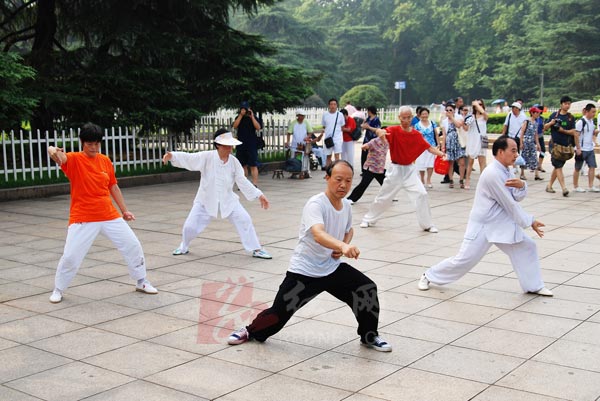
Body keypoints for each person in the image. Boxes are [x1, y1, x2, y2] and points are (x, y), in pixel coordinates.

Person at [227, 160, 392, 352]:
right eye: (338, 179)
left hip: (332, 267)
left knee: (366, 289)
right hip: (305, 271)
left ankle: (369, 336)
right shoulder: (316, 204)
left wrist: (343, 244)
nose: (343, 185)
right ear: (327, 178)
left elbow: (349, 229)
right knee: (278, 314)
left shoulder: (346, 205)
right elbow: (318, 234)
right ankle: (250, 331)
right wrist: (342, 245)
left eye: (348, 181)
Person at [418, 136, 553, 297]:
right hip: (483, 225)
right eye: (513, 150)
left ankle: (533, 286)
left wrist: (522, 185)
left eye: (516, 150)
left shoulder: (507, 169)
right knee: (464, 260)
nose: (516, 154)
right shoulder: (492, 173)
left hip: (500, 223)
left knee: (527, 246)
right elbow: (509, 203)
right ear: (501, 152)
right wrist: (530, 221)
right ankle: (428, 275)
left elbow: (515, 197)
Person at [46, 123, 158, 303]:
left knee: (132, 245)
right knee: (71, 256)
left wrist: (124, 210)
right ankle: (58, 289)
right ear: (82, 142)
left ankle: (141, 281)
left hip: (108, 215)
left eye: (97, 143)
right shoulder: (74, 159)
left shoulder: (105, 160)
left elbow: (113, 186)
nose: (93, 147)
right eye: (89, 144)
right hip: (82, 217)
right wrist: (52, 149)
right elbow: (58, 156)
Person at [163, 129, 272, 259]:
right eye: (226, 145)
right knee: (189, 227)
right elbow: (189, 158)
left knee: (245, 219)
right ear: (218, 145)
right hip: (205, 199)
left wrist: (259, 194)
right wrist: (172, 156)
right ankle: (183, 246)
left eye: (230, 145)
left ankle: (256, 249)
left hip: (228, 199)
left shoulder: (234, 162)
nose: (229, 148)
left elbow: (242, 181)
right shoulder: (207, 157)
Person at [359, 106, 445, 232]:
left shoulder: (416, 134)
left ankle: (427, 224)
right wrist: (380, 133)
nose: (406, 120)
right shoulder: (393, 130)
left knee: (422, 194)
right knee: (384, 197)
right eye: (404, 118)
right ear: (399, 118)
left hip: (410, 170)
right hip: (395, 170)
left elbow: (429, 147)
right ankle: (368, 219)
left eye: (409, 117)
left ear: (412, 117)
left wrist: (442, 154)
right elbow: (381, 133)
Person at [544, 96, 581, 197]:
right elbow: (544, 128)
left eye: (569, 104)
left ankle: (549, 185)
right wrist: (551, 123)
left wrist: (562, 130)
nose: (567, 106)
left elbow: (573, 131)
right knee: (558, 166)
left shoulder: (570, 117)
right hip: (555, 146)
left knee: (558, 166)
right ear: (561, 104)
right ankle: (564, 188)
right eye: (565, 104)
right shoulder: (554, 116)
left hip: (565, 147)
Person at [347, 131, 389, 204]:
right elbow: (366, 145)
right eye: (383, 134)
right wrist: (364, 147)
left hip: (379, 169)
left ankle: (389, 196)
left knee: (386, 183)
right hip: (371, 168)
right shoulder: (374, 141)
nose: (384, 135)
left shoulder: (386, 142)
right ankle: (351, 199)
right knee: (363, 184)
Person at [232, 101, 262, 186]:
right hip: (241, 144)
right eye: (242, 109)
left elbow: (258, 127)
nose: (244, 110)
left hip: (251, 144)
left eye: (245, 109)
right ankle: (244, 184)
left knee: (253, 164)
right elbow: (235, 126)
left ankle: (254, 183)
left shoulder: (253, 117)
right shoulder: (238, 117)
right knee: (242, 165)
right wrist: (241, 115)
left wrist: (252, 117)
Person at [573, 103, 599, 192]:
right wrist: (578, 148)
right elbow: (576, 135)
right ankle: (576, 186)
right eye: (593, 112)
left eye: (595, 112)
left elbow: (591, 133)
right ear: (587, 111)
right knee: (577, 168)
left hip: (590, 148)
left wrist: (595, 133)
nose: (594, 114)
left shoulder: (591, 122)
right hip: (582, 149)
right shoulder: (581, 122)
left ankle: (591, 186)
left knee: (592, 166)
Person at [440, 103, 466, 188]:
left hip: (459, 142)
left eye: (450, 110)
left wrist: (452, 117)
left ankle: (461, 180)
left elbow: (458, 125)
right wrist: (443, 146)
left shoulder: (459, 117)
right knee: (450, 163)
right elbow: (444, 135)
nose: (448, 112)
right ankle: (451, 180)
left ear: (454, 110)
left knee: (462, 162)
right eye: (447, 110)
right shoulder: (444, 121)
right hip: (449, 143)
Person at [464, 99, 489, 189]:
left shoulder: (484, 116)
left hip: (482, 140)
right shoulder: (471, 117)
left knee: (482, 162)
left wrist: (477, 105)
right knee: (470, 162)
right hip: (473, 140)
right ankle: (467, 179)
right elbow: (466, 128)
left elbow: (486, 115)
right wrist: (464, 123)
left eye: (481, 104)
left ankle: (483, 182)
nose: (479, 106)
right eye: (477, 105)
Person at [414, 107, 439, 188]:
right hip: (421, 147)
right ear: (420, 115)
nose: (424, 115)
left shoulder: (432, 123)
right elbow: (415, 136)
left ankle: (429, 179)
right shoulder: (417, 125)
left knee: (430, 163)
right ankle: (422, 179)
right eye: (423, 114)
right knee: (421, 163)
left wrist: (438, 144)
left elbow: (436, 134)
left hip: (431, 146)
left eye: (426, 114)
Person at [286, 109, 315, 179]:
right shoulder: (293, 123)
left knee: (305, 158)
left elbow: (310, 132)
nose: (302, 117)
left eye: (303, 116)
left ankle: (306, 172)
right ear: (298, 116)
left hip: (304, 144)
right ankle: (294, 172)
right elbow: (289, 133)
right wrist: (288, 141)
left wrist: (307, 137)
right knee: (294, 158)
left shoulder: (306, 122)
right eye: (300, 116)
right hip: (295, 143)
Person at [518, 106, 543, 181]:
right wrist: (521, 143)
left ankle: (536, 174)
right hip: (525, 141)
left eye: (538, 113)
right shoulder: (527, 121)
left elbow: (536, 134)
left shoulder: (535, 122)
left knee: (534, 157)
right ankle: (522, 174)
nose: (538, 114)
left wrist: (538, 144)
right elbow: (522, 132)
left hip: (532, 142)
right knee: (524, 157)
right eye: (537, 112)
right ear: (532, 113)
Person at [321, 98, 345, 169]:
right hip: (328, 138)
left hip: (337, 138)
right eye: (331, 104)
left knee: (337, 155)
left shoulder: (340, 115)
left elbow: (342, 126)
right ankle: (328, 171)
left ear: (337, 105)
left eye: (334, 104)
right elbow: (324, 126)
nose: (333, 106)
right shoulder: (325, 115)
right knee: (328, 156)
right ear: (329, 105)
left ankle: (337, 170)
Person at [360, 106, 382, 174]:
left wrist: (369, 127)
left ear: (370, 111)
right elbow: (363, 127)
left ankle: (372, 170)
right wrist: (363, 125)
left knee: (372, 155)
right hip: (366, 139)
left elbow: (378, 129)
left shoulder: (376, 119)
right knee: (364, 155)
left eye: (368, 111)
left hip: (373, 139)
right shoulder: (368, 119)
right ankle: (364, 170)